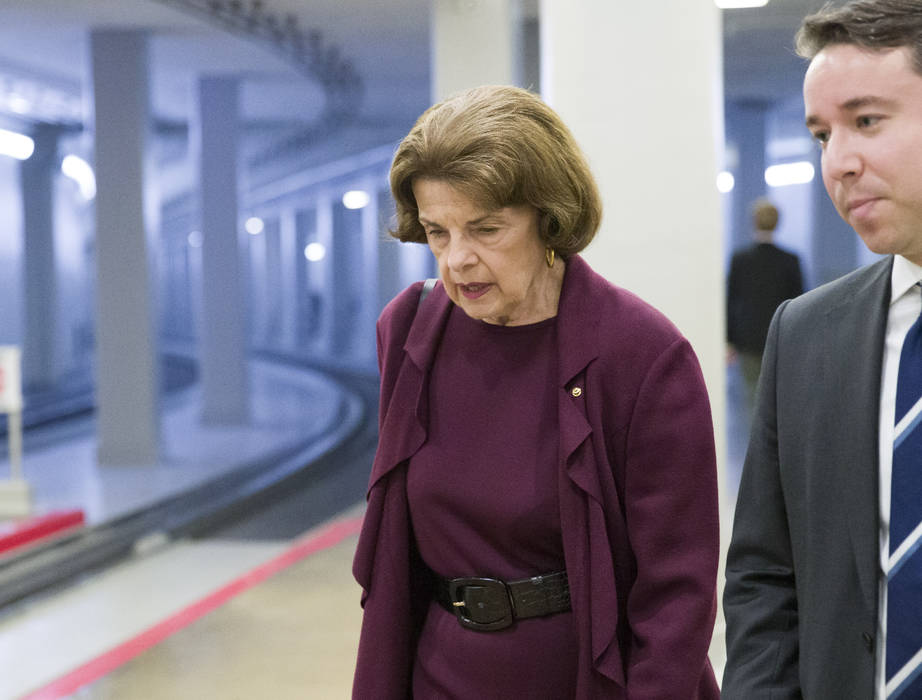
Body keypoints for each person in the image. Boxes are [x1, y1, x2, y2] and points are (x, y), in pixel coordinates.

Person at [351, 84, 720, 699]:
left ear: (548, 219)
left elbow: (676, 594)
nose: (458, 259)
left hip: (582, 678)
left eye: (486, 229)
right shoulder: (410, 331)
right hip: (439, 674)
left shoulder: (643, 353)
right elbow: (395, 559)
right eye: (438, 232)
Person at [722, 2, 922, 699]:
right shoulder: (806, 335)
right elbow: (764, 578)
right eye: (820, 134)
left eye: (866, 121)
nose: (838, 162)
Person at [726, 199, 804, 406]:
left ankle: (756, 438)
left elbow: (731, 300)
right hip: (781, 337)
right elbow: (799, 303)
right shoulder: (790, 260)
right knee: (779, 397)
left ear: (754, 221)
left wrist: (729, 340)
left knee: (753, 396)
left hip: (748, 338)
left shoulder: (740, 259)